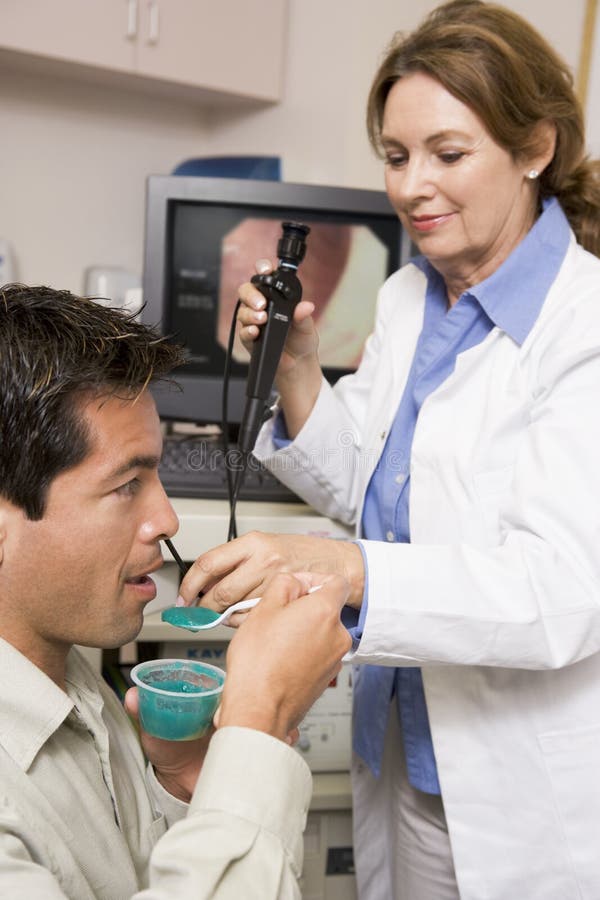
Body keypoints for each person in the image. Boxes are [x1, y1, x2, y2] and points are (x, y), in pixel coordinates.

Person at [174, 2, 600, 898]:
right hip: (399, 744)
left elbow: (559, 591)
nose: (413, 188)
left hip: (513, 784)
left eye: (448, 154)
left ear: (536, 148)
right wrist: (297, 364)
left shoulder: (584, 328)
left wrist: (344, 568)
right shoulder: (412, 297)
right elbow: (368, 488)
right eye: (397, 156)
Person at [0, 283, 352, 899]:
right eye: (126, 485)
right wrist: (259, 721)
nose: (166, 520)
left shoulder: (72, 677)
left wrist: (186, 787)